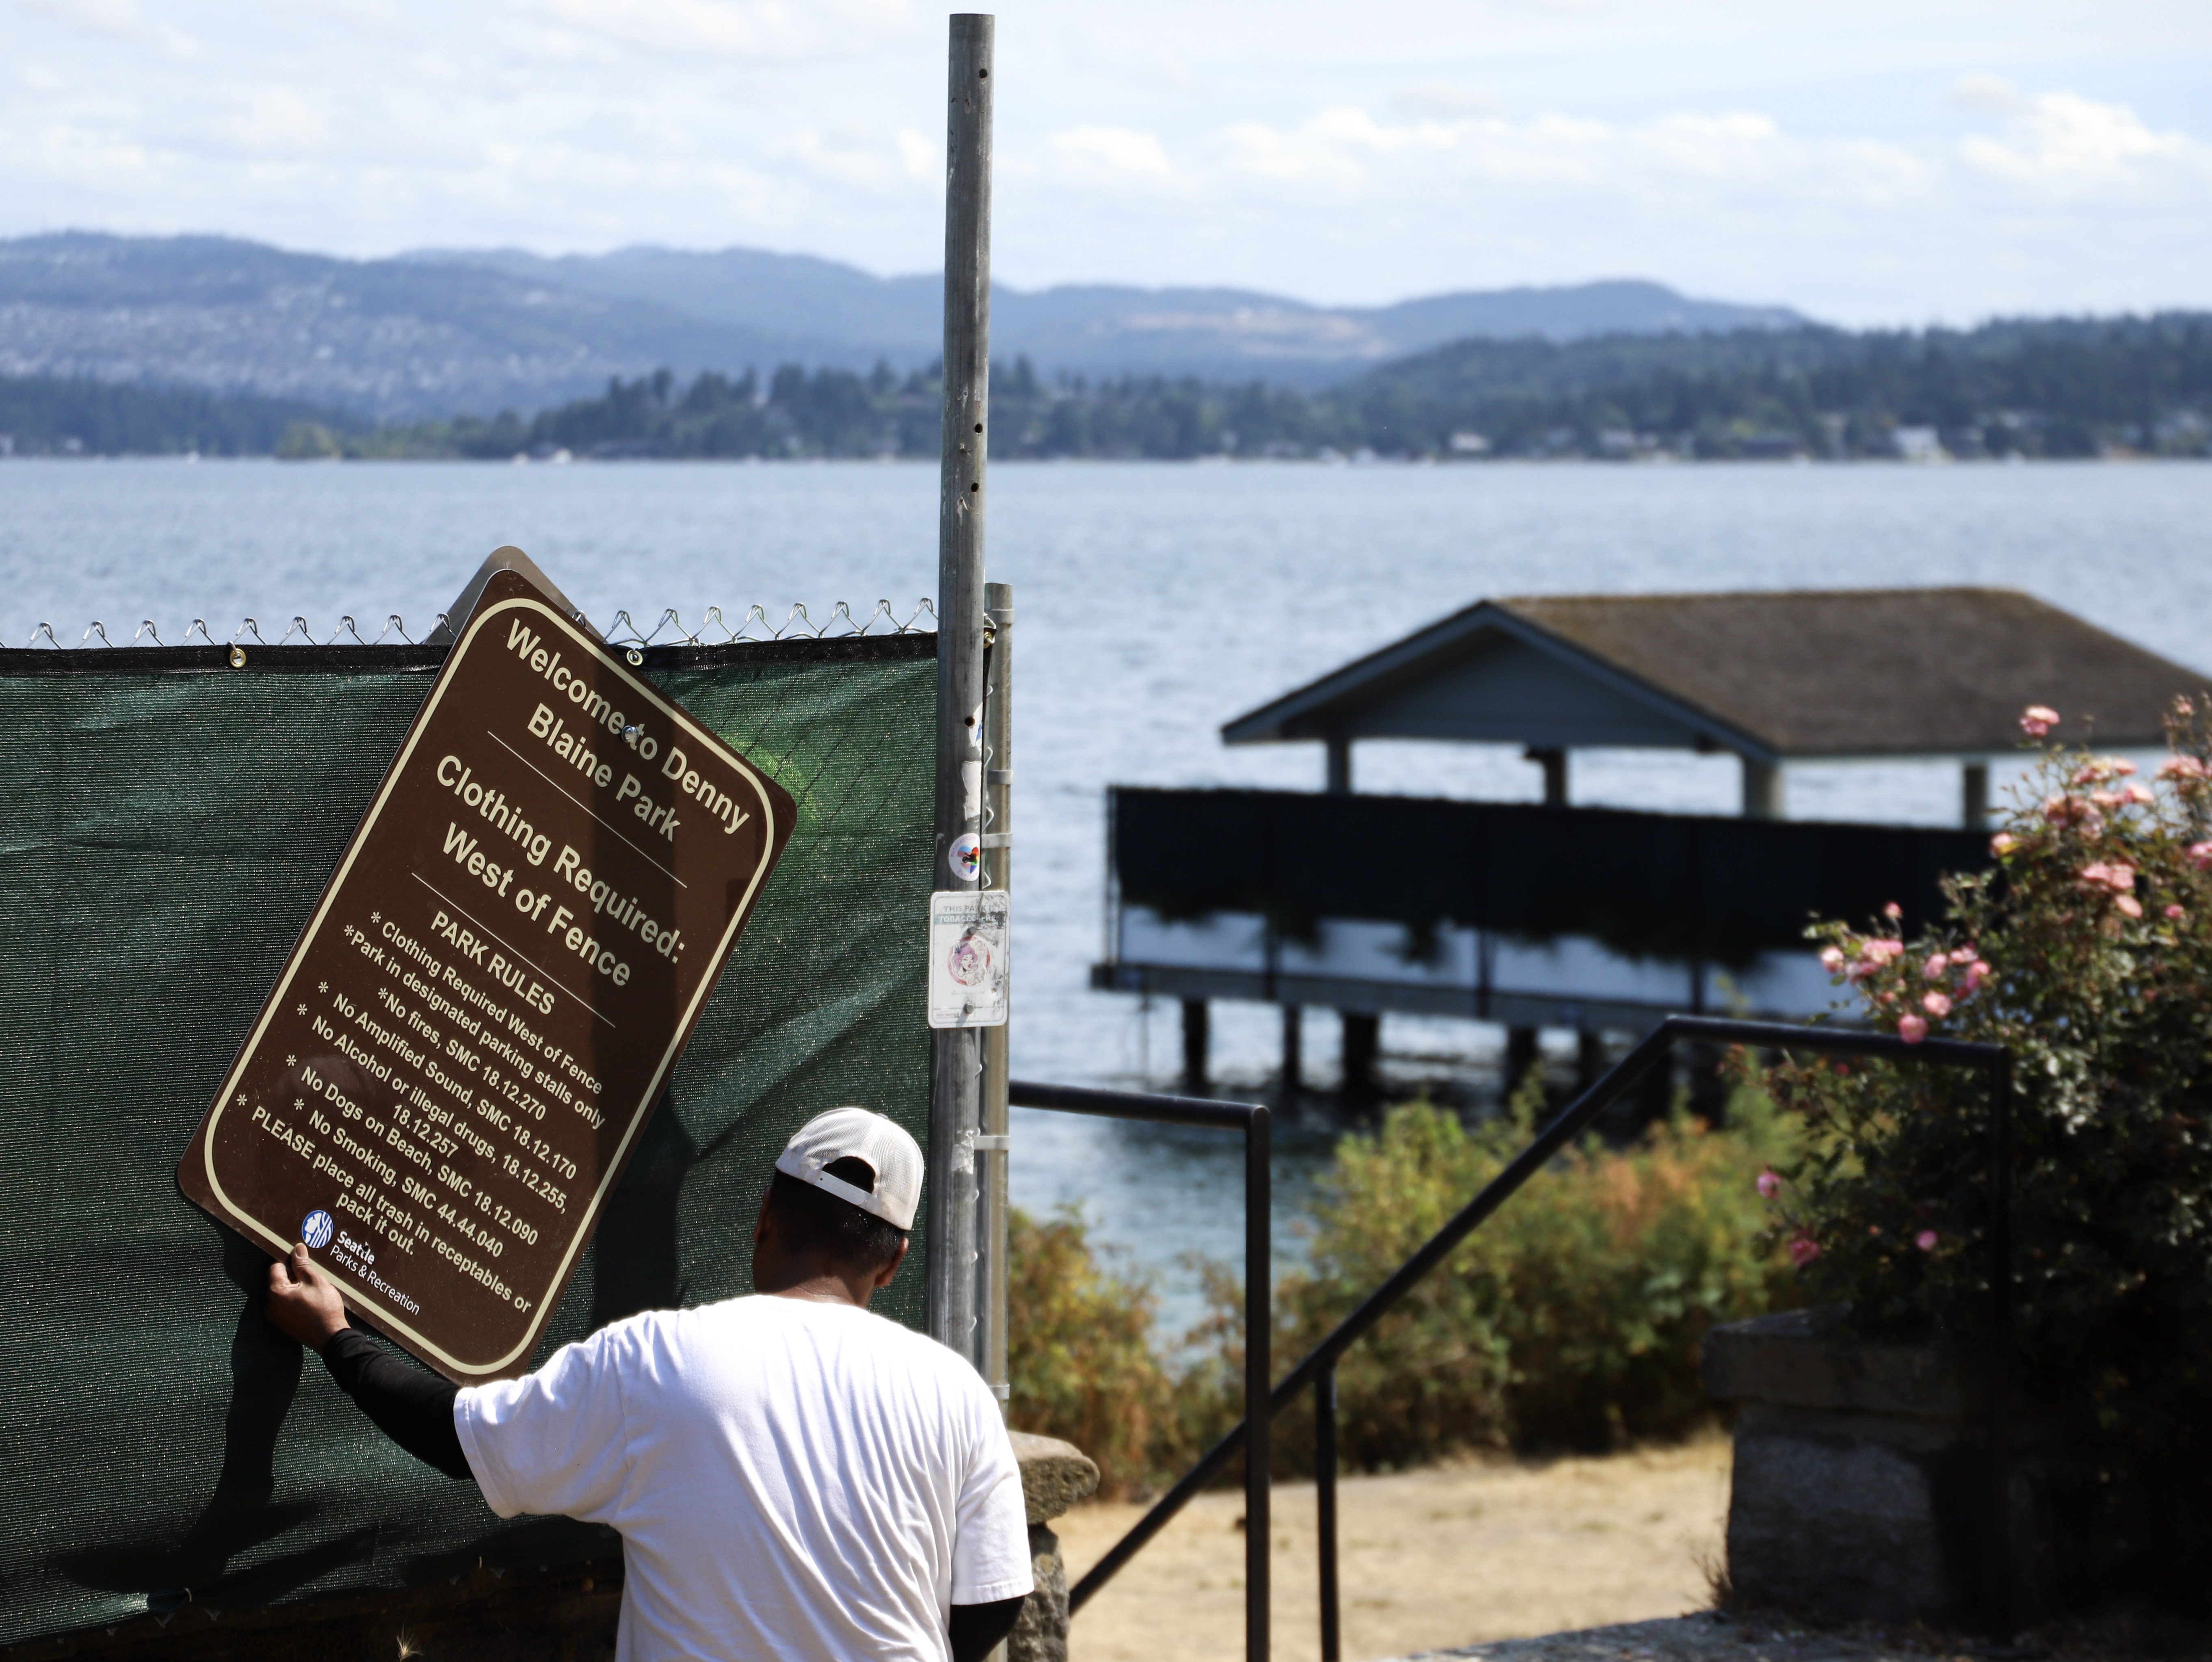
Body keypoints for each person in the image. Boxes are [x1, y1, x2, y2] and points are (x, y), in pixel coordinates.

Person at [264, 1106, 1032, 1662]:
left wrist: (335, 1338)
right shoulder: (955, 1391)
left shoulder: (660, 1361)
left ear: (763, 1216)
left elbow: (458, 1435)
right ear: (893, 1262)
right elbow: (995, 1597)